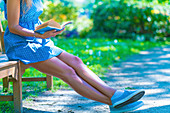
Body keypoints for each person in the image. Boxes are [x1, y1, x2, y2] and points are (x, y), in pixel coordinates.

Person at [3, 0, 145, 112]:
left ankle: (115, 95)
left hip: (38, 40)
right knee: (68, 72)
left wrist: (49, 29)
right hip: (20, 44)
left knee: (76, 61)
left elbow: (31, 19)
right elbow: (13, 26)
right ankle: (114, 101)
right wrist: (37, 34)